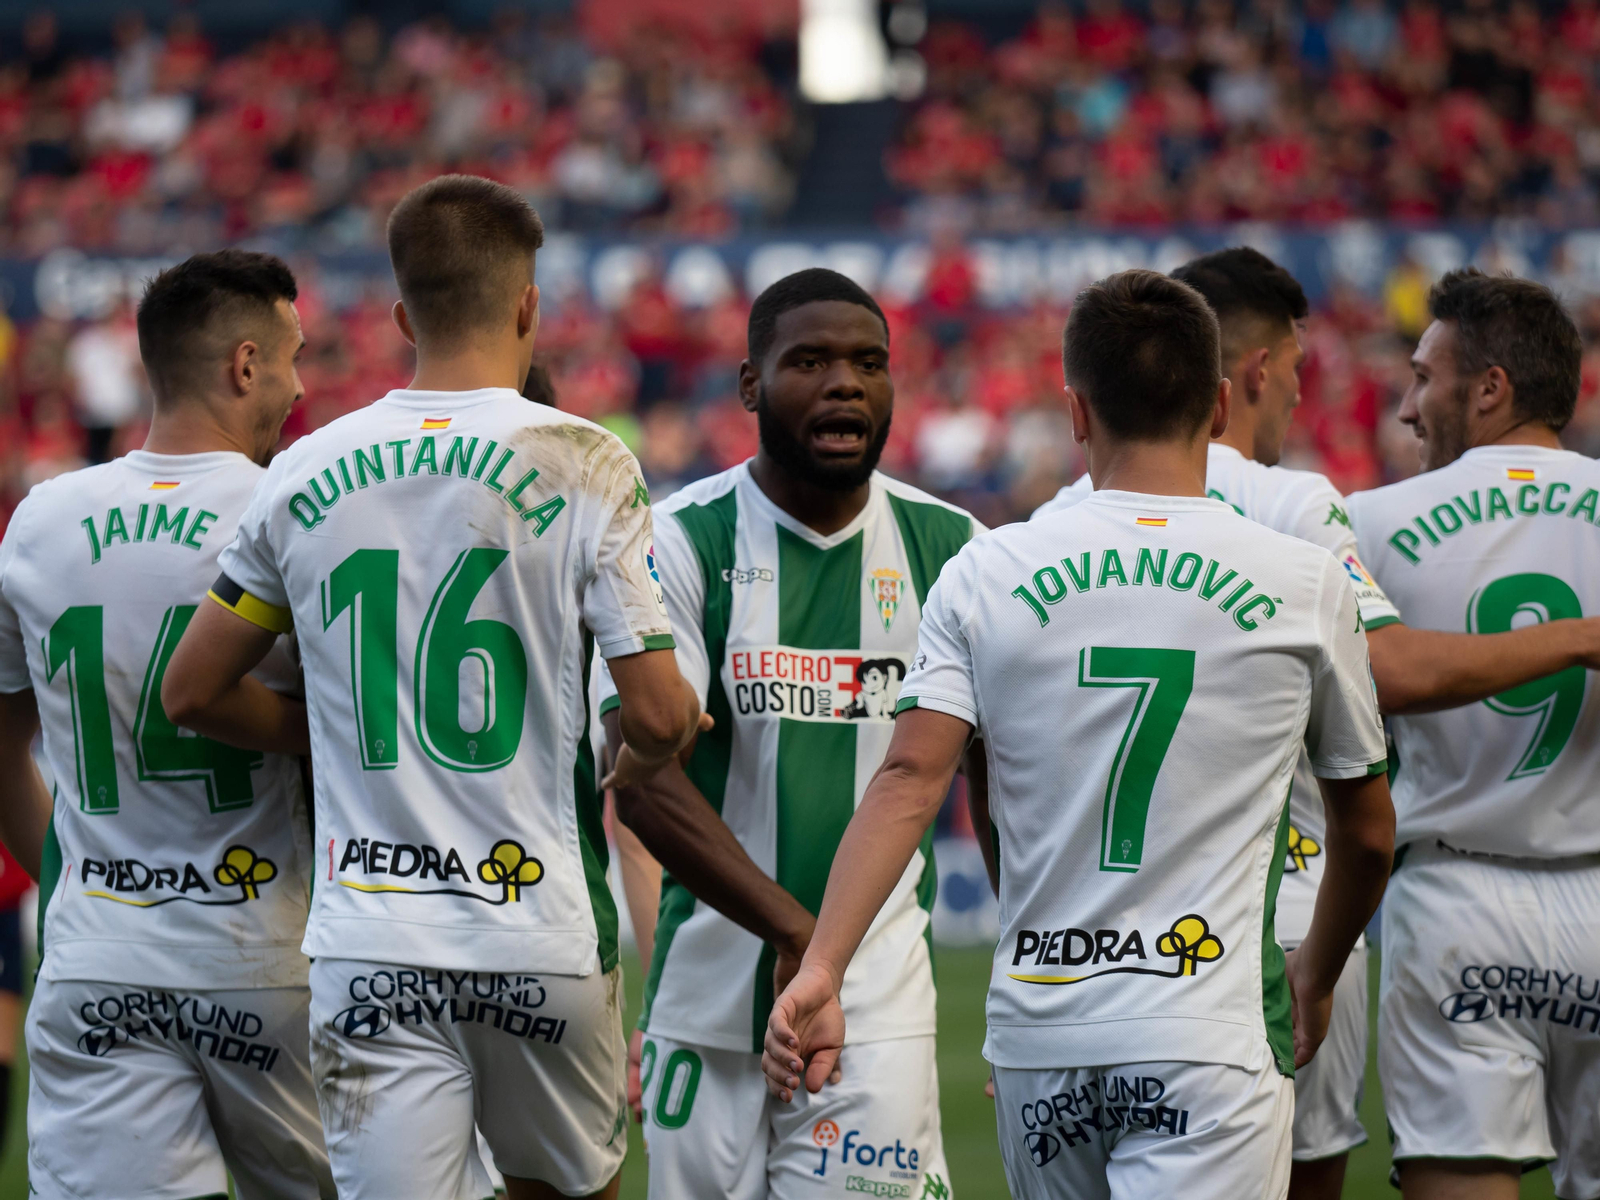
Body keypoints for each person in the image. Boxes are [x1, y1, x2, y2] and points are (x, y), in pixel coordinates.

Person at [762, 269, 1396, 1200]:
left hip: (1045, 1037)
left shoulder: (987, 569)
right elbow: (1368, 831)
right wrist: (1321, 972)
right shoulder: (1305, 584)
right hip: (1210, 1032)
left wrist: (822, 969)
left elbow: (908, 783)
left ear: (1074, 411)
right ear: (1220, 405)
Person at [159, 175, 702, 1200]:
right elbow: (662, 713)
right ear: (527, 304)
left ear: (404, 315)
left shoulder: (302, 470)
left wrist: (337, 730)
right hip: (536, 928)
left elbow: (192, 690)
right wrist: (649, 746)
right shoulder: (586, 460)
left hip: (372, 941)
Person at [1032, 246, 1600, 1200]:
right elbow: (1390, 671)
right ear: (1249, 375)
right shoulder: (1307, 508)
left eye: (1420, 381)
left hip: (1088, 942)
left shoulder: (1045, 526)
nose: (1400, 408)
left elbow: (966, 755)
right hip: (1291, 909)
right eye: (1297, 371)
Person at [598, 268, 980, 1200]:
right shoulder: (679, 540)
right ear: (749, 386)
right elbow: (641, 779)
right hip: (707, 1006)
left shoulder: (958, 552)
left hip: (878, 1007)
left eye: (868, 363)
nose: (846, 383)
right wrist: (803, 939)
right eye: (809, 360)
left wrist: (826, 963)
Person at [0, 250, 333, 1199]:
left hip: (97, 960)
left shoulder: (39, 520)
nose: (300, 384)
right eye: (291, 358)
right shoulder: (296, 509)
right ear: (244, 365)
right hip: (270, 951)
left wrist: (71, 877)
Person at [1347, 269, 1600, 1200]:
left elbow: (1378, 677)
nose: (1409, 409)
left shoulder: (1368, 520)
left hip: (1455, 901)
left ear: (1488, 387)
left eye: (1423, 378)